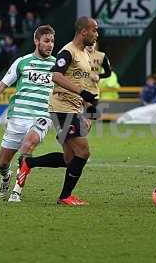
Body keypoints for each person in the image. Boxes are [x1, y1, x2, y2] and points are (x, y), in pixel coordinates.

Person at [0, 25, 96, 201]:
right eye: (46, 41)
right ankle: (6, 177)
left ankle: (17, 191)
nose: (50, 45)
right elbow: (3, 84)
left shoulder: (59, 66)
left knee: (28, 145)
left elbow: (71, 92)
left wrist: (83, 111)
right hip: (18, 116)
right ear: (36, 41)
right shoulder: (22, 62)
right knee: (2, 163)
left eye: (52, 41)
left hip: (43, 115)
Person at [14, 17, 99, 206]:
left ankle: (29, 163)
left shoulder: (84, 54)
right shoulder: (67, 52)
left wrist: (87, 112)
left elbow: (85, 85)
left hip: (74, 109)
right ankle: (65, 197)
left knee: (70, 159)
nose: (96, 34)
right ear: (83, 31)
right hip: (62, 109)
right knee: (83, 152)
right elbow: (56, 75)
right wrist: (81, 94)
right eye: (94, 30)